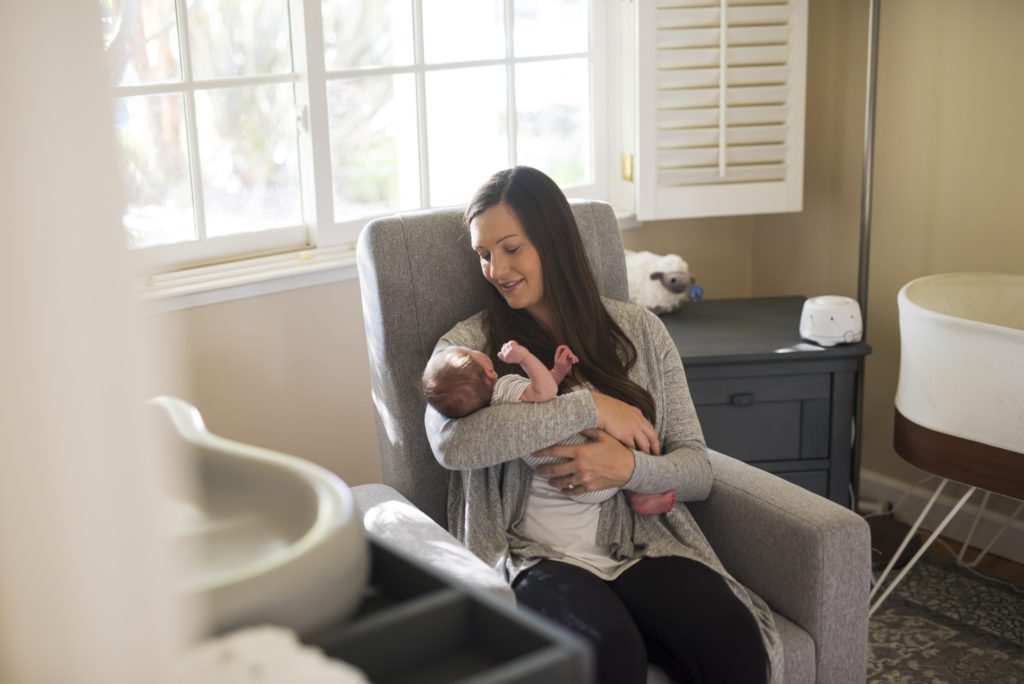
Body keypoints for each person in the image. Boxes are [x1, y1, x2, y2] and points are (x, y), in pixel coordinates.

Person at [423, 166, 781, 684]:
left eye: (511, 248)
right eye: (484, 254)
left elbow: (698, 469)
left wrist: (629, 468)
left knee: (734, 640)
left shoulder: (639, 331)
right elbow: (453, 446)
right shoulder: (468, 348)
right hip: (532, 558)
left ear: (553, 242)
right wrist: (591, 407)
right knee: (608, 651)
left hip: (638, 545)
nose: (496, 269)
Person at [421, 340, 675, 514]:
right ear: (489, 373)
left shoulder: (490, 416)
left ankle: (636, 491)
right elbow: (547, 392)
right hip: (600, 470)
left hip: (577, 486)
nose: (467, 347)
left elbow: (541, 399)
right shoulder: (506, 388)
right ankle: (642, 493)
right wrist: (524, 357)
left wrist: (557, 371)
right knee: (581, 396)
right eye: (467, 351)